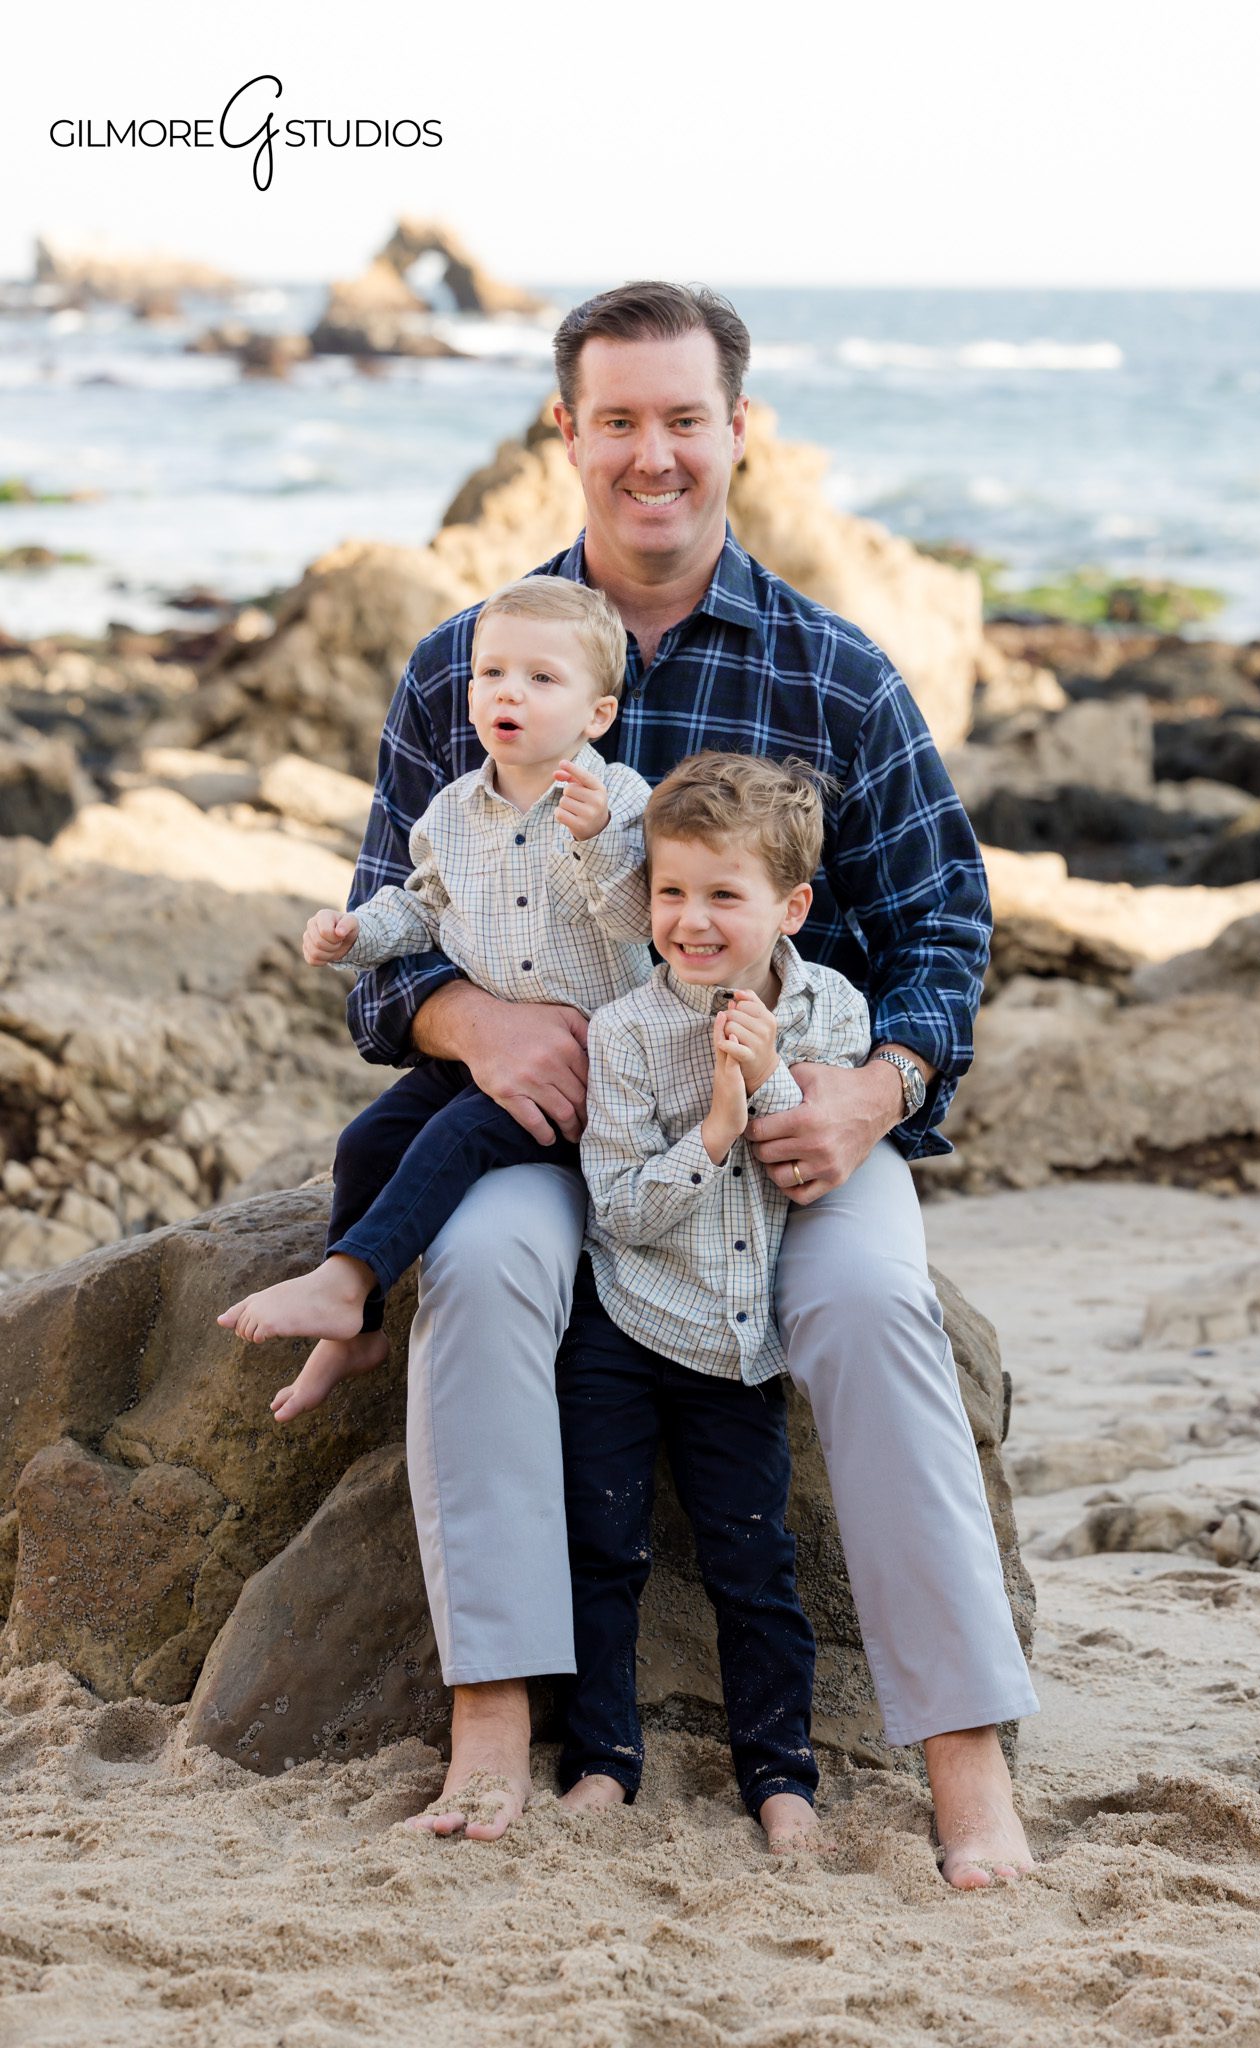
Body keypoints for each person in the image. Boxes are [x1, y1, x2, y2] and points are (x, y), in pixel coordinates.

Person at [352, 282, 1038, 1883]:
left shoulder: (834, 674)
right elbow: (388, 921)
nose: (650, 454)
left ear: (740, 429)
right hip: (555, 1130)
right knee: (479, 1269)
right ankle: (491, 1722)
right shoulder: (471, 662)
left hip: (794, 1115)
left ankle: (964, 1764)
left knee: (874, 1307)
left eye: (682, 419)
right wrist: (468, 1022)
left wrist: (878, 1090)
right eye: (618, 421)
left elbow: (945, 916)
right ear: (565, 432)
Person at [217, 577, 653, 1420]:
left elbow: (639, 921)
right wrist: (356, 933)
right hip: (487, 1052)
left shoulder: (619, 801)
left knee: (455, 1138)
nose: (508, 694)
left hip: (593, 1072)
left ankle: (346, 1281)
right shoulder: (453, 810)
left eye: (540, 678)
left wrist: (599, 841)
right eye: (491, 674)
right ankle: (357, 1332)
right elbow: (421, 907)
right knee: (367, 1140)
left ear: (596, 714)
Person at [561, 752, 871, 1853]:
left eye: (723, 895)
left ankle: (780, 1773)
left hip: (739, 1346)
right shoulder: (625, 1030)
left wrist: (769, 1072)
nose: (690, 920)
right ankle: (602, 1759)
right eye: (670, 891)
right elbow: (619, 1208)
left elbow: (809, 1165)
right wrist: (710, 1133)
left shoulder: (830, 1007)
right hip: (628, 1316)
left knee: (753, 1560)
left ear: (790, 907)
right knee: (601, 1545)